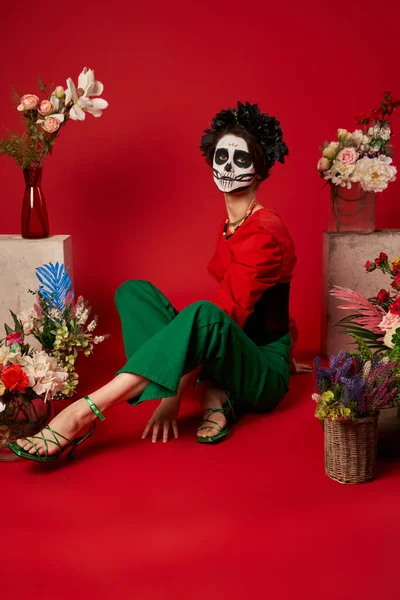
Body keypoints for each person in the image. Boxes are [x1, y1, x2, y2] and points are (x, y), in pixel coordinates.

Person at [9, 101, 310, 463]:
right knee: (133, 292)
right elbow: (272, 295)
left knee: (205, 314)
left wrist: (174, 396)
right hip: (227, 352)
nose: (227, 167)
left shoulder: (265, 230)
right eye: (221, 156)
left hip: (261, 371)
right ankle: (211, 388)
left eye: (241, 160)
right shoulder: (234, 221)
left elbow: (229, 313)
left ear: (260, 171)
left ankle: (84, 412)